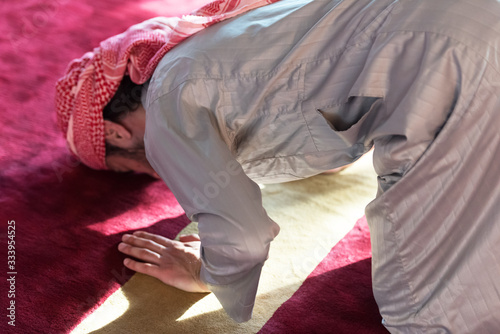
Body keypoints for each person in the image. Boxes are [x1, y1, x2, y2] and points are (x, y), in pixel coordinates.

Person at [55, 0, 500, 332]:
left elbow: (243, 237)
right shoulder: (209, 41)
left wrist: (205, 271)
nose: (149, 175)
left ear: (115, 134)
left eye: (126, 169)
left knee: (426, 309)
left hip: (447, 64)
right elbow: (332, 76)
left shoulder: (165, 106)